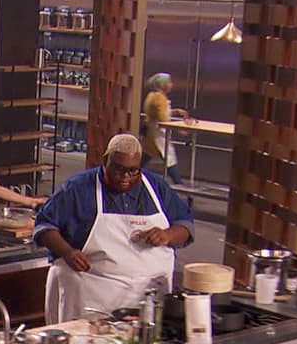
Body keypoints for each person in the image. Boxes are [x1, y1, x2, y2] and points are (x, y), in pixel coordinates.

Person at [33, 133, 194, 323]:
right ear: (105, 160)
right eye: (119, 169)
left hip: (148, 300)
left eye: (133, 171)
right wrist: (67, 252)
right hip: (91, 299)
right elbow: (44, 226)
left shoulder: (156, 187)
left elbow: (185, 225)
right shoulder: (77, 188)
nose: (125, 177)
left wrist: (168, 235)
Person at [141, 73, 189, 185]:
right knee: (169, 157)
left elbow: (159, 112)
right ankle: (178, 183)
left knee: (147, 155)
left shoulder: (153, 96)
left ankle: (132, 171)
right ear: (163, 85)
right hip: (158, 134)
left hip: (151, 132)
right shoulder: (160, 98)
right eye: (169, 82)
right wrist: (179, 129)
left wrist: (175, 111)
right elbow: (163, 118)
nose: (172, 85)